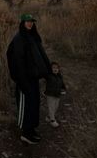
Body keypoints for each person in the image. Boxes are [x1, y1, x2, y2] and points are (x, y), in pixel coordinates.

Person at [7, 13, 51, 145]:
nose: (30, 23)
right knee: (25, 106)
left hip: (33, 78)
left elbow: (41, 55)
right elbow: (17, 61)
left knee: (34, 104)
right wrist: (21, 81)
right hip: (24, 79)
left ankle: (31, 130)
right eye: (27, 21)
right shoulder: (19, 39)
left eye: (31, 21)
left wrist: (47, 72)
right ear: (22, 23)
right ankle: (25, 133)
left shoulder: (33, 37)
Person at [45, 61, 66, 128]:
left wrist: (63, 89)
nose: (55, 69)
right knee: (51, 107)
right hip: (50, 94)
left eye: (57, 68)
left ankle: (48, 117)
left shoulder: (59, 76)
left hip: (57, 94)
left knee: (56, 106)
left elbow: (62, 84)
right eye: (53, 68)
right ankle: (52, 120)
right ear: (50, 69)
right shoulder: (49, 76)